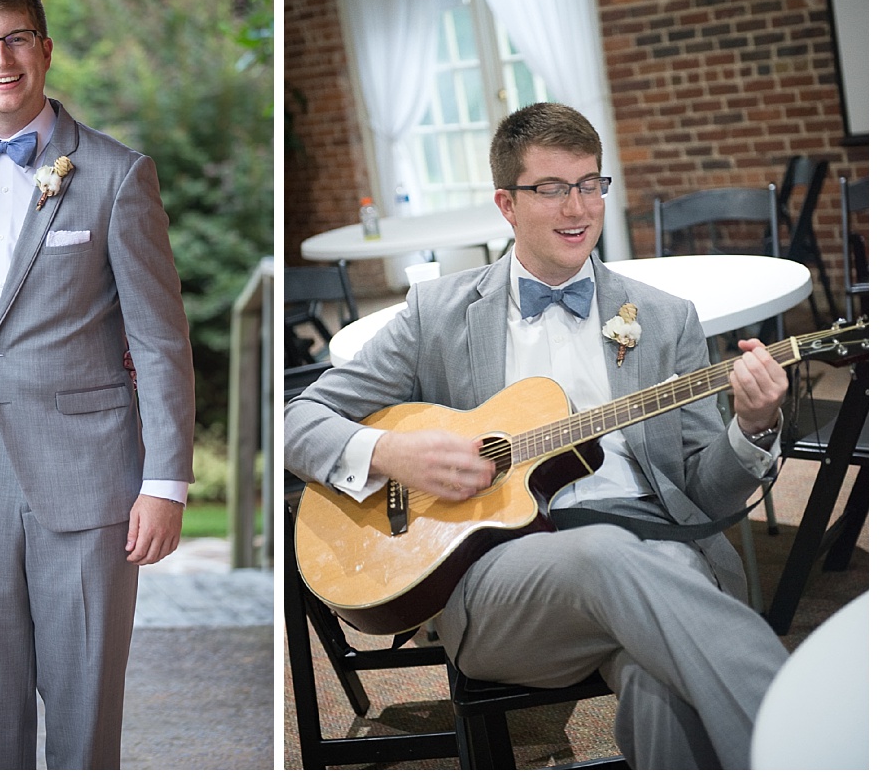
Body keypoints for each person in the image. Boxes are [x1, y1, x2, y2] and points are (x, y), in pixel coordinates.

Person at [284, 102, 791, 770]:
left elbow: (706, 489)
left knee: (658, 681)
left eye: (589, 183)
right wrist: (392, 451)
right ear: (507, 203)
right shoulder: (437, 314)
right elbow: (296, 419)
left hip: (656, 542)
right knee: (608, 553)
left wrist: (752, 428)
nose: (576, 206)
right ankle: (807, 740)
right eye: (552, 188)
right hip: (495, 575)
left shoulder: (665, 318)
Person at [0, 0, 196, 769]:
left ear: (43, 49)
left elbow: (160, 339)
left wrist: (165, 481)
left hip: (91, 482)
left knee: (83, 713)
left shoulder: (115, 174)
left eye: (15, 38)